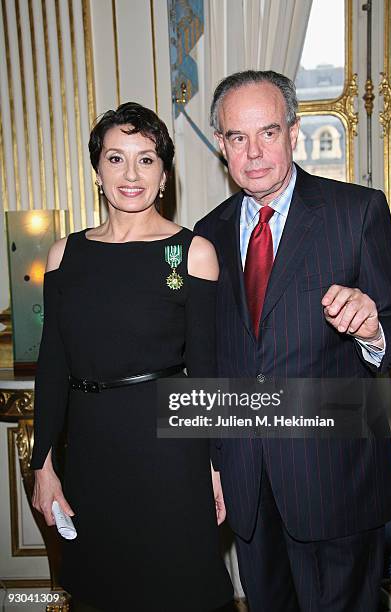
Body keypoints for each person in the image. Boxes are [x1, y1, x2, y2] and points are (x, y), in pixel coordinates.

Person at [194, 70, 391, 612]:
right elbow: (211, 361)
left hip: (336, 482)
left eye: (267, 132)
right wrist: (215, 460)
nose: (254, 151)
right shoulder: (207, 235)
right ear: (221, 145)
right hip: (249, 488)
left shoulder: (356, 212)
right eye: (237, 137)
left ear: (294, 131)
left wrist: (374, 327)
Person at [30, 102, 233, 612]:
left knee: (182, 590)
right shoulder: (64, 255)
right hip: (93, 455)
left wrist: (217, 466)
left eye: (146, 159)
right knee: (104, 593)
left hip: (171, 455)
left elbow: (206, 370)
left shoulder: (189, 253)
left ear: (164, 175)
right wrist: (44, 465)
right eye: (116, 158)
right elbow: (53, 367)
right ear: (97, 170)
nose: (131, 174)